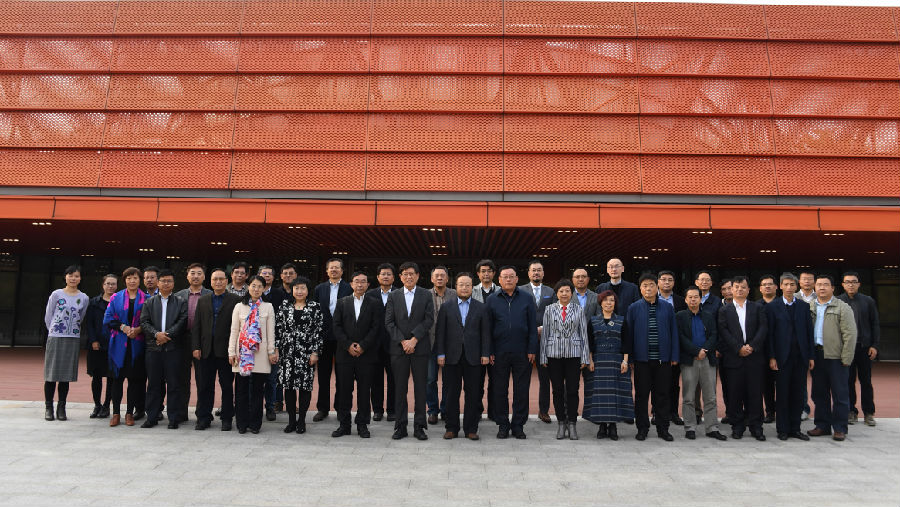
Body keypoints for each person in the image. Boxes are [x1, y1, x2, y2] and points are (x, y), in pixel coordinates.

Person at [436, 272, 491, 440]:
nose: (465, 288)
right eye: (461, 285)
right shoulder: (447, 306)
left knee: (473, 394)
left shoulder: (481, 307)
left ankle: (471, 429)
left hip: (474, 357)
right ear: (456, 287)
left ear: (472, 287)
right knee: (451, 394)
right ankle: (451, 428)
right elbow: (440, 332)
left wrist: (485, 353)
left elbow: (485, 333)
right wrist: (440, 353)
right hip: (451, 356)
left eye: (468, 285)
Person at [485, 266, 538, 440]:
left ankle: (518, 425)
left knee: (521, 390)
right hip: (499, 352)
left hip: (522, 352)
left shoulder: (527, 298)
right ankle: (502, 425)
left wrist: (532, 349)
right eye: (505, 277)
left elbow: (532, 326)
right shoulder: (492, 300)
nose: (508, 279)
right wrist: (489, 350)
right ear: (499, 280)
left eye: (511, 276)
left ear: (517, 279)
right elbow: (487, 328)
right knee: (499, 390)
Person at [625, 274, 679, 442]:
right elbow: (629, 335)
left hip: (663, 360)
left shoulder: (667, 307)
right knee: (641, 395)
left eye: (651, 285)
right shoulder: (633, 308)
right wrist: (630, 358)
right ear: (640, 289)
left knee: (662, 395)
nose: (648, 288)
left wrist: (674, 355)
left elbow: (674, 332)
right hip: (642, 361)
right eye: (645, 285)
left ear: (657, 287)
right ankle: (642, 428)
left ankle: (663, 429)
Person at [385, 261, 434, 440]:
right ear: (400, 277)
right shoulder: (394, 295)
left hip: (419, 348)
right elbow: (389, 322)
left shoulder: (425, 294)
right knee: (400, 389)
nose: (409, 277)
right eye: (405, 274)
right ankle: (400, 426)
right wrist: (403, 341)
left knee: (421, 388)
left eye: (412, 273)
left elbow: (429, 320)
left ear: (418, 276)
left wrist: (414, 340)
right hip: (399, 350)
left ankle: (420, 426)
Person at [717, 276, 768, 441]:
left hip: (754, 358)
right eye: (737, 287)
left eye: (743, 287)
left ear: (748, 290)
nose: (740, 290)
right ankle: (737, 427)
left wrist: (751, 346)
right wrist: (738, 348)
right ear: (731, 290)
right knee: (735, 394)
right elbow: (724, 331)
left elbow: (763, 328)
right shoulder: (724, 310)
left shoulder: (757, 307)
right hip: (734, 358)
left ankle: (756, 427)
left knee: (755, 394)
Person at [807, 275, 857, 442]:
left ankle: (840, 428)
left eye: (825, 285)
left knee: (840, 394)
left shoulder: (842, 307)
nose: (822, 288)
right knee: (819, 393)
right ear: (815, 288)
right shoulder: (809, 307)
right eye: (819, 285)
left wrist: (847, 357)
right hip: (817, 356)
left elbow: (850, 334)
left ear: (833, 288)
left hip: (836, 357)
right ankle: (822, 425)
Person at [765, 273, 814, 441]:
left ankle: (795, 428)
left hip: (800, 357)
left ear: (796, 286)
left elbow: (809, 332)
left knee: (798, 394)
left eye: (792, 284)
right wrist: (772, 357)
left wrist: (810, 356)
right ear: (780, 286)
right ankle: (782, 429)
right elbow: (770, 335)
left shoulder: (803, 306)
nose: (789, 287)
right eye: (785, 284)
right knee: (783, 394)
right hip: (781, 358)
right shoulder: (773, 307)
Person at [540, 280, 591, 440]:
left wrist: (585, 356)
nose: (564, 294)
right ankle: (561, 423)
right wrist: (543, 356)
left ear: (571, 293)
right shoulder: (549, 309)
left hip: (573, 355)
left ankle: (573, 423)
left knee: (572, 390)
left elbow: (583, 334)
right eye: (561, 291)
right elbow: (545, 334)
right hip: (553, 354)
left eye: (567, 291)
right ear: (556, 293)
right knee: (557, 390)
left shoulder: (578, 309)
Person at [332, 271, 381, 438]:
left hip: (366, 355)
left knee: (364, 391)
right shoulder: (342, 302)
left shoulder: (374, 303)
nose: (360, 284)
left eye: (363, 282)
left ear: (368, 285)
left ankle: (362, 425)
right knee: (344, 390)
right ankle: (344, 424)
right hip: (345, 354)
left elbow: (376, 327)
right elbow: (336, 326)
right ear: (351, 284)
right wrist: (348, 345)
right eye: (357, 281)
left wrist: (363, 345)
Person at [191, 268, 241, 431]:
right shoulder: (203, 300)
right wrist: (196, 346)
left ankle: (227, 418)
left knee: (226, 386)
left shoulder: (235, 300)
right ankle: (203, 418)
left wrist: (234, 350)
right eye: (215, 279)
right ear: (210, 282)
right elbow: (197, 325)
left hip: (226, 351)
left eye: (221, 279)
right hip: (205, 350)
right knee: (204, 386)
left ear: (226, 281)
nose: (218, 282)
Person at [139, 269, 189, 429]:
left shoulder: (181, 302)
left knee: (174, 384)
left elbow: (182, 321)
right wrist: (156, 335)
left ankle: (174, 418)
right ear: (158, 283)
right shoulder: (149, 302)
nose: (166, 283)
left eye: (169, 281)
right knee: (153, 384)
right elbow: (144, 322)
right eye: (163, 281)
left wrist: (167, 335)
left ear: (173, 284)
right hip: (153, 349)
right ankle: (151, 417)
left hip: (173, 349)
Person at [676, 286, 727, 441]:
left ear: (700, 299)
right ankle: (690, 427)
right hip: (689, 360)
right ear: (685, 300)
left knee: (710, 396)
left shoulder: (708, 315)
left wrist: (704, 350)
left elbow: (714, 335)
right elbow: (681, 337)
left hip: (707, 359)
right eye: (690, 297)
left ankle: (712, 428)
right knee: (689, 397)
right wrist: (695, 351)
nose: (693, 300)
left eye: (696, 297)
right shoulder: (680, 316)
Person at [229, 276, 277, 434]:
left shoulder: (268, 307)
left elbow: (271, 332)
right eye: (253, 286)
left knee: (258, 390)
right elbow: (234, 331)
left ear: (264, 289)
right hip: (242, 354)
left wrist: (271, 352)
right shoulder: (239, 306)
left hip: (261, 354)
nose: (256, 289)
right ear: (248, 287)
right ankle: (242, 423)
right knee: (241, 390)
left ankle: (255, 424)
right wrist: (231, 352)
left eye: (260, 286)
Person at [275, 277, 323, 435]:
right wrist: (276, 349)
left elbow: (318, 331)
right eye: (296, 288)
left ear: (308, 290)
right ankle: (291, 421)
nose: (299, 291)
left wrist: (315, 352)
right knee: (288, 388)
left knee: (304, 388)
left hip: (306, 354)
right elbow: (278, 329)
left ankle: (302, 420)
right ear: (292, 290)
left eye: (303, 288)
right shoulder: (284, 306)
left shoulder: (315, 307)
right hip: (287, 353)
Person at [584, 290, 634, 441]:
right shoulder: (593, 321)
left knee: (615, 395)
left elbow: (627, 342)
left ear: (615, 303)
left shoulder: (621, 320)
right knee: (600, 395)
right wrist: (590, 360)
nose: (608, 303)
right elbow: (589, 343)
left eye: (612, 300)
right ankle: (601, 426)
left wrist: (625, 361)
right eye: (606, 300)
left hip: (617, 362)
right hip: (598, 362)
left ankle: (613, 426)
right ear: (600, 303)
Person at [42, 265, 89, 422]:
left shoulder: (84, 298)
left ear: (80, 278)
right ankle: (49, 407)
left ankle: (61, 407)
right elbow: (48, 315)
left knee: (65, 375)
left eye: (76, 276)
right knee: (51, 374)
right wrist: (53, 330)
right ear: (65, 277)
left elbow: (81, 317)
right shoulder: (56, 294)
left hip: (72, 338)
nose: (73, 278)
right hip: (56, 336)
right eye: (70, 275)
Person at [103, 267, 148, 427]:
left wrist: (138, 329)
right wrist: (123, 327)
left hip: (137, 345)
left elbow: (150, 320)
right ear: (125, 281)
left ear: (140, 280)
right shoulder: (116, 297)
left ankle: (129, 413)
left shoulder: (147, 299)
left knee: (134, 381)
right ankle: (116, 413)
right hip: (119, 345)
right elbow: (108, 318)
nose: (132, 281)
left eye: (135, 278)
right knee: (117, 380)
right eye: (129, 278)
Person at [311, 258, 352, 422]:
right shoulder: (319, 289)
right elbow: (315, 312)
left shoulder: (349, 288)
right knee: (323, 375)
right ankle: (323, 408)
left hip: (343, 337)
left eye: (337, 268)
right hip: (324, 337)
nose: (334, 270)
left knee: (342, 375)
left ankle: (341, 408)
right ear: (327, 271)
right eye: (331, 268)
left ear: (342, 271)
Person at [838, 271, 880, 427]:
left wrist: (875, 345)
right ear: (843, 285)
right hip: (846, 349)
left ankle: (869, 413)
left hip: (864, 347)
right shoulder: (838, 301)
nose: (851, 285)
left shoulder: (868, 301)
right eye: (847, 282)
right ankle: (851, 411)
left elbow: (875, 324)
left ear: (859, 284)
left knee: (866, 381)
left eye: (854, 282)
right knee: (848, 381)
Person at [174, 263, 211, 424]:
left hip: (203, 341)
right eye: (192, 273)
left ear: (204, 276)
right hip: (182, 339)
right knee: (181, 379)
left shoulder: (210, 295)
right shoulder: (178, 295)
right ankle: (181, 413)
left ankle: (202, 414)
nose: (195, 276)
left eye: (199, 273)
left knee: (203, 379)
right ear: (187, 276)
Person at [521, 260, 556, 424]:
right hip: (525, 339)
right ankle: (522, 412)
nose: (536, 273)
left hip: (545, 339)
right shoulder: (521, 290)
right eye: (533, 270)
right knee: (522, 377)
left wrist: (543, 327)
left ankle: (543, 411)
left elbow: (555, 312)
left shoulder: (551, 291)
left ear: (543, 273)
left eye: (539, 270)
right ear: (528, 273)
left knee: (545, 377)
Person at [263, 262, 296, 419]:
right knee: (273, 373)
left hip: (288, 337)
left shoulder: (295, 291)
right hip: (268, 337)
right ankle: (275, 402)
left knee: (288, 371)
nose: (288, 276)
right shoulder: (275, 292)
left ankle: (288, 403)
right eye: (285, 273)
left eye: (291, 273)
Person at [471, 259, 500, 422]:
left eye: (489, 271)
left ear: (494, 273)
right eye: (483, 271)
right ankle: (477, 410)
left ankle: (494, 411)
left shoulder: (501, 291)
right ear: (478, 274)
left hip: (496, 342)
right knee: (477, 380)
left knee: (496, 380)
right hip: (476, 343)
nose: (486, 274)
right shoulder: (471, 290)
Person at [366, 262, 396, 422]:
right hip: (374, 345)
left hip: (394, 344)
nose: (385, 276)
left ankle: (392, 410)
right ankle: (377, 410)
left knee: (394, 380)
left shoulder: (399, 293)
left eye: (388, 274)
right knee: (375, 379)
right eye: (383, 274)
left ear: (393, 277)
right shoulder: (370, 294)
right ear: (378, 277)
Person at [427, 266, 456, 425]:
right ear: (432, 279)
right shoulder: (424, 295)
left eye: (442, 275)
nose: (439, 278)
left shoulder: (455, 294)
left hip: (450, 344)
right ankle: (432, 410)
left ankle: (446, 409)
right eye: (436, 275)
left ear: (447, 279)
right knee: (430, 379)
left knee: (449, 380)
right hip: (429, 344)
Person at [657, 270, 686, 427]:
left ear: (674, 283)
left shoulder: (681, 301)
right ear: (658, 282)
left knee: (674, 383)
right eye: (663, 279)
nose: (666, 282)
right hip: (656, 347)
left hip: (675, 346)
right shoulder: (651, 299)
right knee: (657, 382)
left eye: (670, 280)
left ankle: (673, 412)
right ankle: (657, 412)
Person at [85, 274, 117, 419]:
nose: (110, 286)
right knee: (96, 377)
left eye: (113, 284)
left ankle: (106, 405)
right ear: (103, 285)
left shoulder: (118, 302)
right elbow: (89, 323)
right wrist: (93, 340)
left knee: (111, 377)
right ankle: (97, 404)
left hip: (113, 345)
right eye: (108, 283)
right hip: (96, 345)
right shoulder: (94, 303)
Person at [758, 274, 778, 424]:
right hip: (762, 351)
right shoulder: (756, 306)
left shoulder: (783, 304)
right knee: (766, 384)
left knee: (783, 383)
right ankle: (770, 411)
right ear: (760, 288)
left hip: (781, 350)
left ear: (776, 287)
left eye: (770, 284)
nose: (767, 286)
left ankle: (784, 411)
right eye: (764, 284)